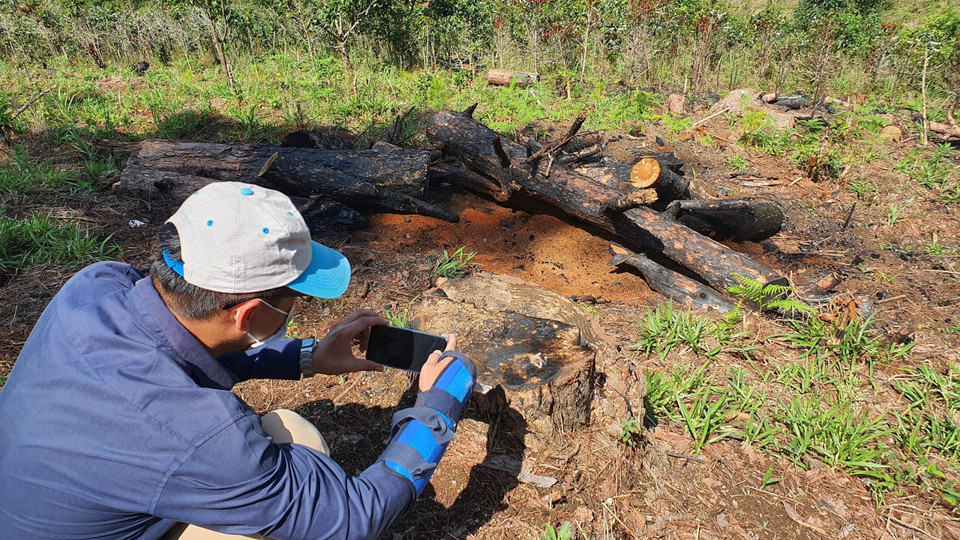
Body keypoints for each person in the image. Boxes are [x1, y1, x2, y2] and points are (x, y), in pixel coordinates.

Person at [0, 182, 477, 539]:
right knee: (299, 436)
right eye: (292, 303)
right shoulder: (202, 437)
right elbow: (355, 516)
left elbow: (183, 348)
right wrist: (438, 406)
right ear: (249, 313)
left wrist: (308, 356)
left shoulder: (97, 285)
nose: (295, 311)